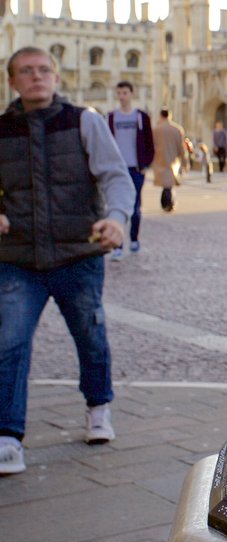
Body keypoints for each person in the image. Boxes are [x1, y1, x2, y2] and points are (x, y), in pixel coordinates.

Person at [0, 46, 135, 474]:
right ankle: (7, 435)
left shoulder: (84, 120)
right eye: (26, 71)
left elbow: (114, 175)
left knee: (90, 336)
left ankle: (98, 406)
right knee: (9, 342)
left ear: (56, 77)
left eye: (43, 70)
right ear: (12, 81)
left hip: (78, 252)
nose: (36, 77)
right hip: (18, 256)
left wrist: (116, 219)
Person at [106, 80, 154, 262]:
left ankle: (134, 239)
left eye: (124, 93)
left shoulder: (141, 117)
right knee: (116, 207)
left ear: (131, 94)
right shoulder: (110, 118)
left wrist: (145, 164)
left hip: (135, 168)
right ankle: (117, 246)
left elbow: (150, 142)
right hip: (117, 170)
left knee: (135, 208)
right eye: (119, 93)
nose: (121, 97)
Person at [152, 109, 187, 212]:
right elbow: (181, 148)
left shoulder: (156, 129)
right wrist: (184, 161)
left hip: (159, 158)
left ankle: (166, 202)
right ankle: (168, 202)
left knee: (166, 183)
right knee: (169, 182)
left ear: (160, 116)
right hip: (173, 159)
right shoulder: (177, 129)